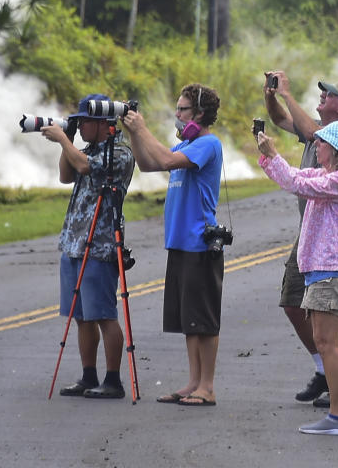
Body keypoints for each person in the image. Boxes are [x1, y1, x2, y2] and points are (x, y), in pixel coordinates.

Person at [263, 72, 338, 409]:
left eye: (329, 94)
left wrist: (288, 93)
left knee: (336, 325)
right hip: (315, 239)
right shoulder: (325, 157)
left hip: (331, 254)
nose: (322, 96)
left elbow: (307, 142)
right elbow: (282, 122)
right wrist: (271, 96)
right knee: (309, 314)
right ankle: (332, 380)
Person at [121, 84, 224, 407]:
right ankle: (193, 382)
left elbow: (164, 160)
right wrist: (135, 135)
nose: (177, 115)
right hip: (179, 243)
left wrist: (143, 128)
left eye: (182, 109)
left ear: (199, 114)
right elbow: (149, 164)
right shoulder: (190, 144)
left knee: (203, 319)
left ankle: (207, 387)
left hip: (199, 244)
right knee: (188, 320)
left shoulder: (207, 144)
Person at [42, 94, 135, 399]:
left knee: (103, 315)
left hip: (100, 244)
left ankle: (112, 379)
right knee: (80, 316)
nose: (80, 126)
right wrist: (66, 137)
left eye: (84, 121)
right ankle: (88, 375)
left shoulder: (119, 153)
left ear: (102, 123)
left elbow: (82, 167)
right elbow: (65, 174)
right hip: (74, 243)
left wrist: (63, 141)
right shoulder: (90, 149)